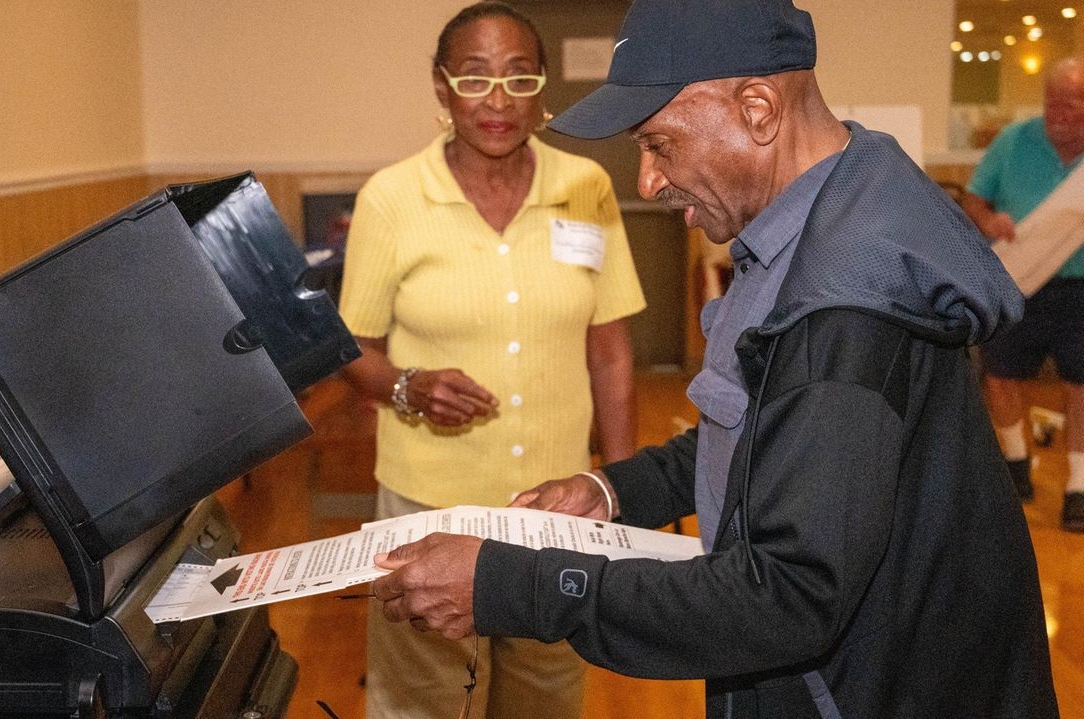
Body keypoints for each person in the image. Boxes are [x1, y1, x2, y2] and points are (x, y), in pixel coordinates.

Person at [369, 1, 1060, 717]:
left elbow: (788, 594)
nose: (647, 182)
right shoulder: (815, 215)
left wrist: (508, 586)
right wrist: (614, 490)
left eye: (660, 145)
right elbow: (770, 431)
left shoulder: (846, 303)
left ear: (759, 109)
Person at [337, 2, 646, 717]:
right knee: (426, 699)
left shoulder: (586, 189)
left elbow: (610, 351)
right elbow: (353, 349)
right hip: (428, 506)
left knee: (547, 693)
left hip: (555, 508)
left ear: (542, 88)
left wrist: (621, 491)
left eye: (518, 76)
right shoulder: (392, 199)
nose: (498, 100)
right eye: (475, 79)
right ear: (442, 88)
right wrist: (409, 386)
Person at [961, 56, 1084, 531]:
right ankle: (1015, 471)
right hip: (1019, 279)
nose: (1064, 122)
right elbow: (974, 199)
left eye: (1074, 111)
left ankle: (1077, 487)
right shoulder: (1014, 141)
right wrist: (990, 222)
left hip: (1080, 288)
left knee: (1080, 384)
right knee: (1001, 373)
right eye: (1055, 110)